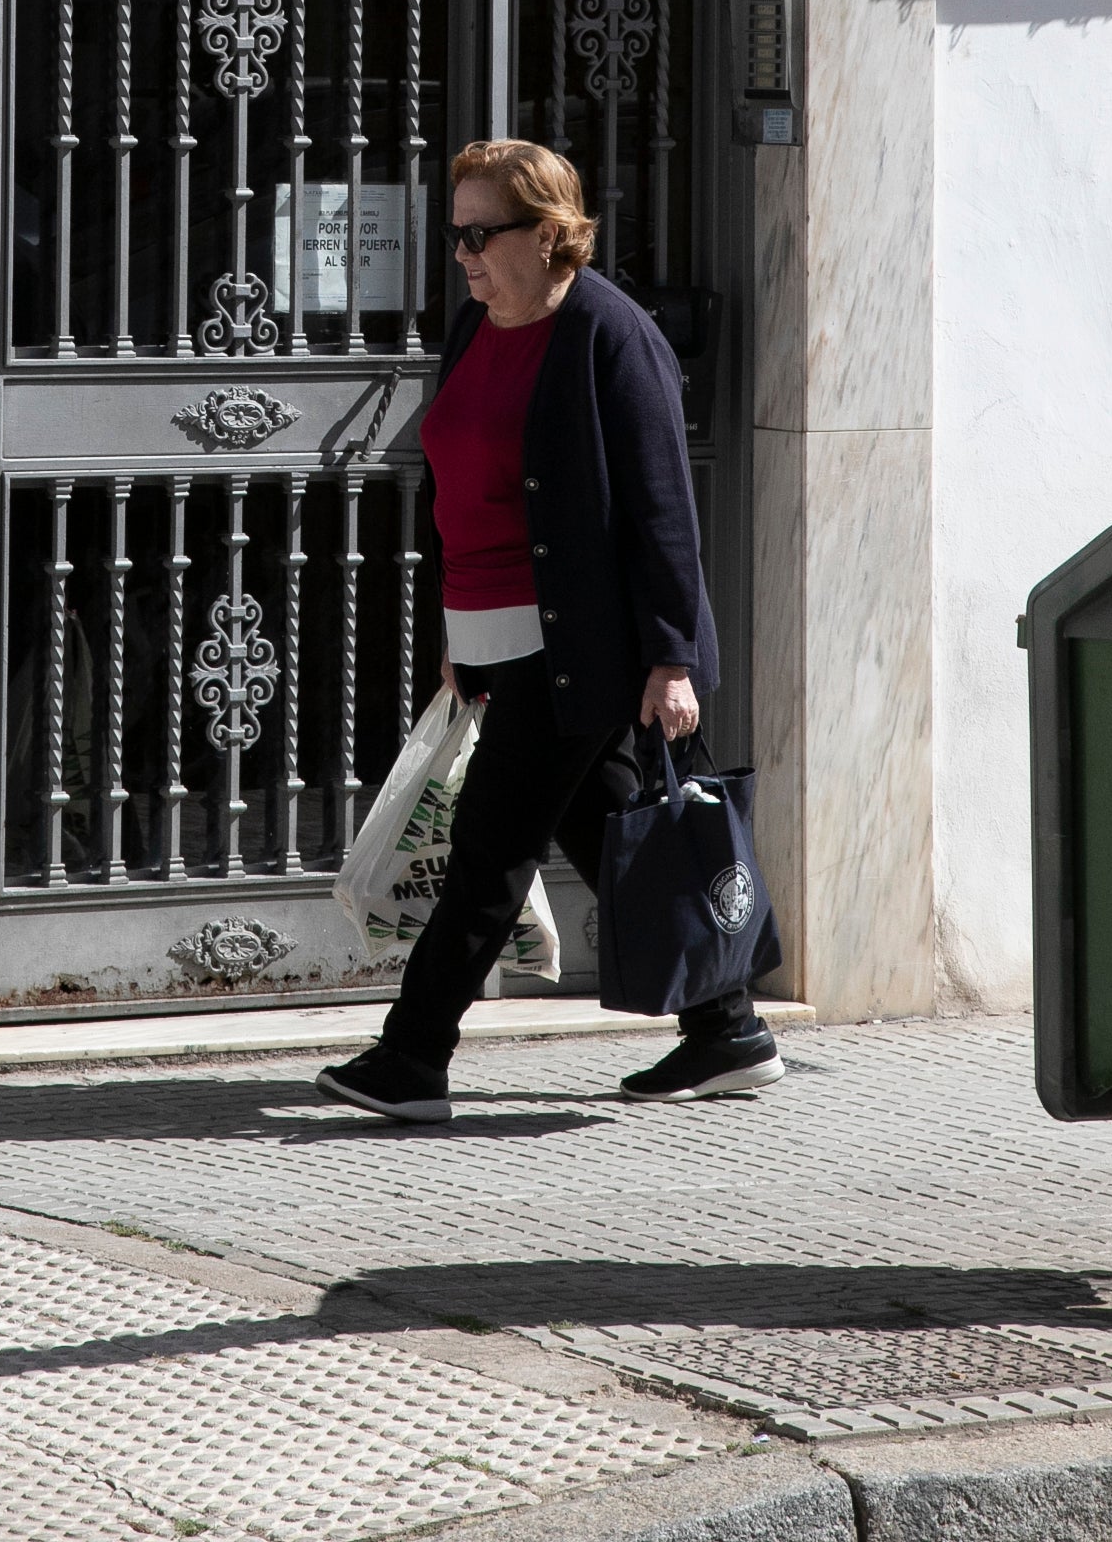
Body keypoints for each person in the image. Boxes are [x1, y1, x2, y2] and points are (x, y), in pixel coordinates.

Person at [318, 137, 782, 1121]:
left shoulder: (611, 335)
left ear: (547, 232)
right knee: (611, 829)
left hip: (579, 650)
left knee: (488, 849)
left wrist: (669, 658)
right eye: (457, 237)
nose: (465, 255)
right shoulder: (474, 326)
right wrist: (458, 627)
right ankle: (724, 1028)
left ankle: (413, 1057)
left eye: (482, 234)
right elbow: (466, 490)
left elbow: (661, 510)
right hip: (495, 636)